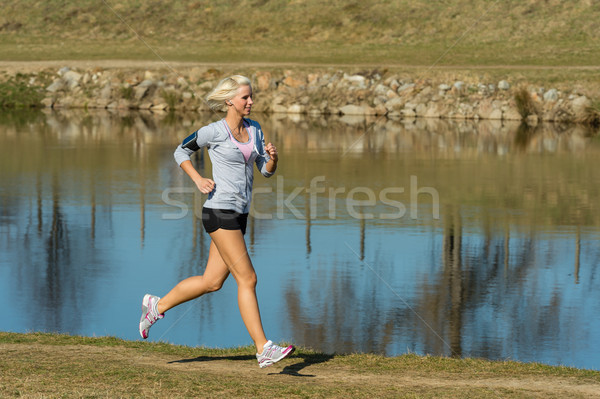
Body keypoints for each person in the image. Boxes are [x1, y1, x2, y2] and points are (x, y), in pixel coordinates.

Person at [138, 75, 294, 368]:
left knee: (212, 282)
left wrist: (273, 158)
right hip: (219, 213)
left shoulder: (255, 129)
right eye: (245, 97)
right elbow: (180, 151)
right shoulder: (214, 132)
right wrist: (197, 179)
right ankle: (263, 349)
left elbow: (266, 171)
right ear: (229, 101)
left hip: (240, 214)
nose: (251, 102)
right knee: (248, 279)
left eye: (251, 97)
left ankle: (155, 306)